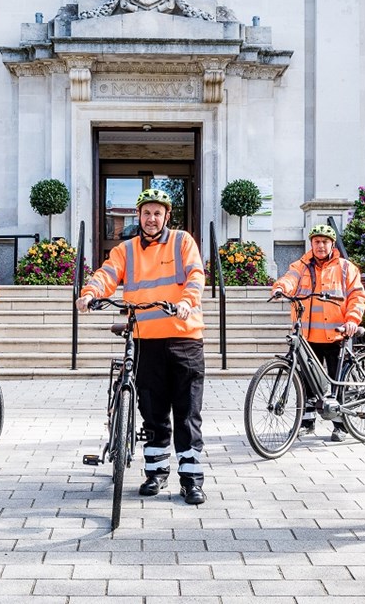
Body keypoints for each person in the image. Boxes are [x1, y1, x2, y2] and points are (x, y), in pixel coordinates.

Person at [75, 188, 208, 505]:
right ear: (139, 216)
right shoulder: (126, 250)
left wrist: (188, 302)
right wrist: (90, 293)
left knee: (187, 414)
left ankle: (191, 480)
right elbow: (107, 274)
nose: (151, 218)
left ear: (167, 216)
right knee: (153, 411)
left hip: (184, 337)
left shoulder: (181, 242)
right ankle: (156, 473)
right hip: (146, 339)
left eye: (157, 213)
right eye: (146, 213)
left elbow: (195, 275)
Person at [271, 224, 365, 442]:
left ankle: (340, 426)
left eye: (325, 242)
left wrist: (352, 320)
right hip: (307, 336)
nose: (321, 245)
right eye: (317, 241)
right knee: (306, 381)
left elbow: (357, 297)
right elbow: (289, 279)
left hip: (336, 335)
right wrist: (280, 288)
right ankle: (306, 423)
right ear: (311, 244)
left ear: (332, 244)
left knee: (337, 382)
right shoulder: (301, 265)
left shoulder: (345, 268)